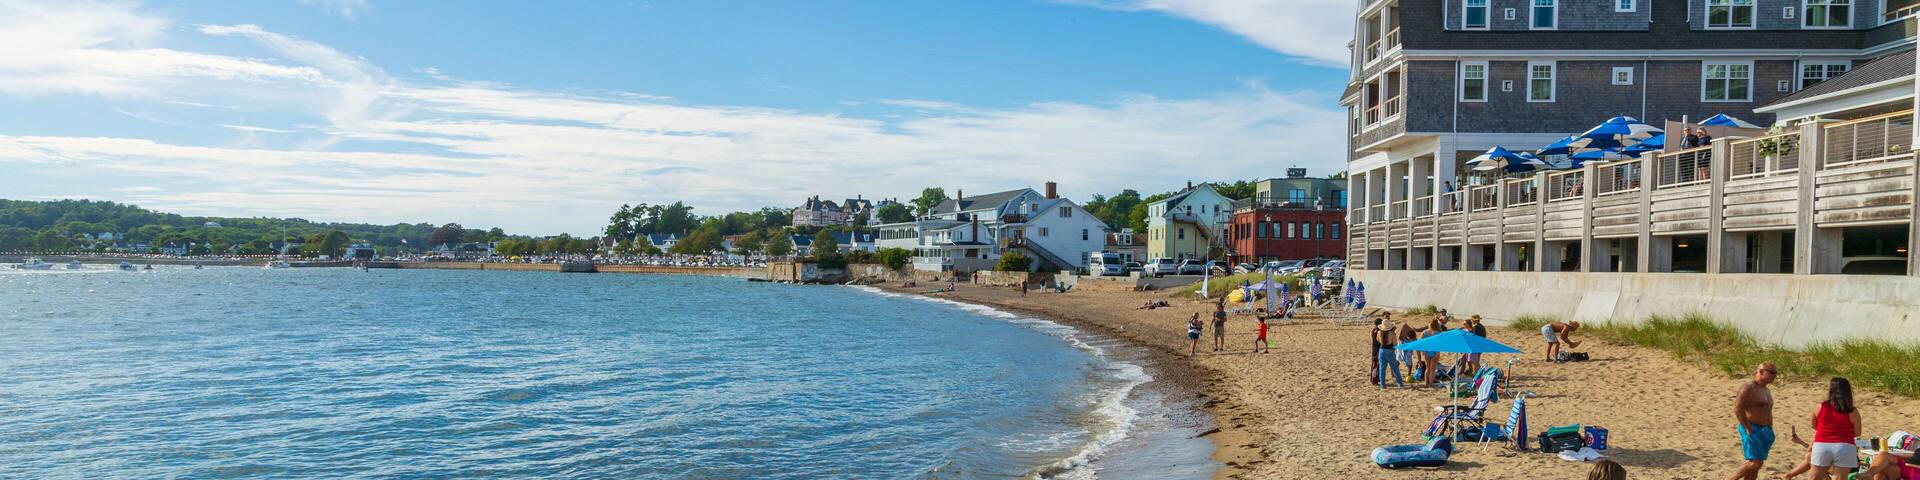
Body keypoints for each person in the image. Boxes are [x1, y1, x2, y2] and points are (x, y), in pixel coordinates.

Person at [1729, 362, 1779, 480]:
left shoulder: (1766, 390)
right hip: (1752, 428)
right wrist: (1747, 427)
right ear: (1761, 371)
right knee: (1755, 463)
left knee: (1755, 466)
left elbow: (1768, 411)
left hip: (1765, 430)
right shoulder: (1749, 387)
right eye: (1771, 372)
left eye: (1775, 373)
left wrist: (1770, 428)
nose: (1774, 375)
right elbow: (1738, 408)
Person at [1809, 377, 1862, 480]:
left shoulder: (1820, 407)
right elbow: (1858, 432)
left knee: (1814, 477)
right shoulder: (1852, 411)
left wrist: (1827, 431)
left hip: (1822, 444)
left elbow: (1814, 425)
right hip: (1845, 446)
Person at [1374, 319, 1405, 389]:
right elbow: (1395, 343)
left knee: (1382, 368)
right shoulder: (1392, 333)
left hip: (1382, 350)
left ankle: (1382, 385)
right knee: (1395, 368)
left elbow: (1377, 340)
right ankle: (1400, 383)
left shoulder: (1379, 332)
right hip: (1390, 350)